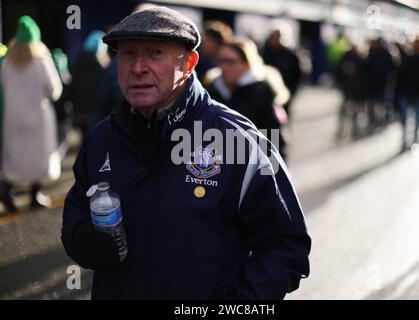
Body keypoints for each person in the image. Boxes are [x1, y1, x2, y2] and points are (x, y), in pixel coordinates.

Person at [61, 6, 311, 300]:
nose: (138, 67)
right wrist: (81, 238)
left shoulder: (237, 139)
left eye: (154, 53)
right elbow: (76, 210)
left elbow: (285, 246)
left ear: (190, 62)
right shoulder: (102, 137)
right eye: (127, 54)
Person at [0, 16, 62, 212]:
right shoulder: (41, 60)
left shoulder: (6, 62)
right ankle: (35, 195)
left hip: (13, 118)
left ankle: (6, 190)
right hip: (38, 118)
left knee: (14, 158)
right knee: (39, 157)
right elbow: (54, 90)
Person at [205, 36, 288, 158]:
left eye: (230, 61)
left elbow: (274, 141)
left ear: (247, 63)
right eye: (220, 61)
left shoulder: (261, 93)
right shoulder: (210, 91)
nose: (223, 67)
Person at [67, 30, 110, 142]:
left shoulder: (76, 64)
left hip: (79, 112)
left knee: (84, 144)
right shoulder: (103, 68)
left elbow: (71, 88)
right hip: (95, 114)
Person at [262, 28, 302, 116]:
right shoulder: (264, 53)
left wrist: (292, 89)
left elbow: (297, 73)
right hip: (266, 93)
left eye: (278, 37)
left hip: (286, 91)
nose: (275, 40)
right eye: (273, 37)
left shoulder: (289, 54)